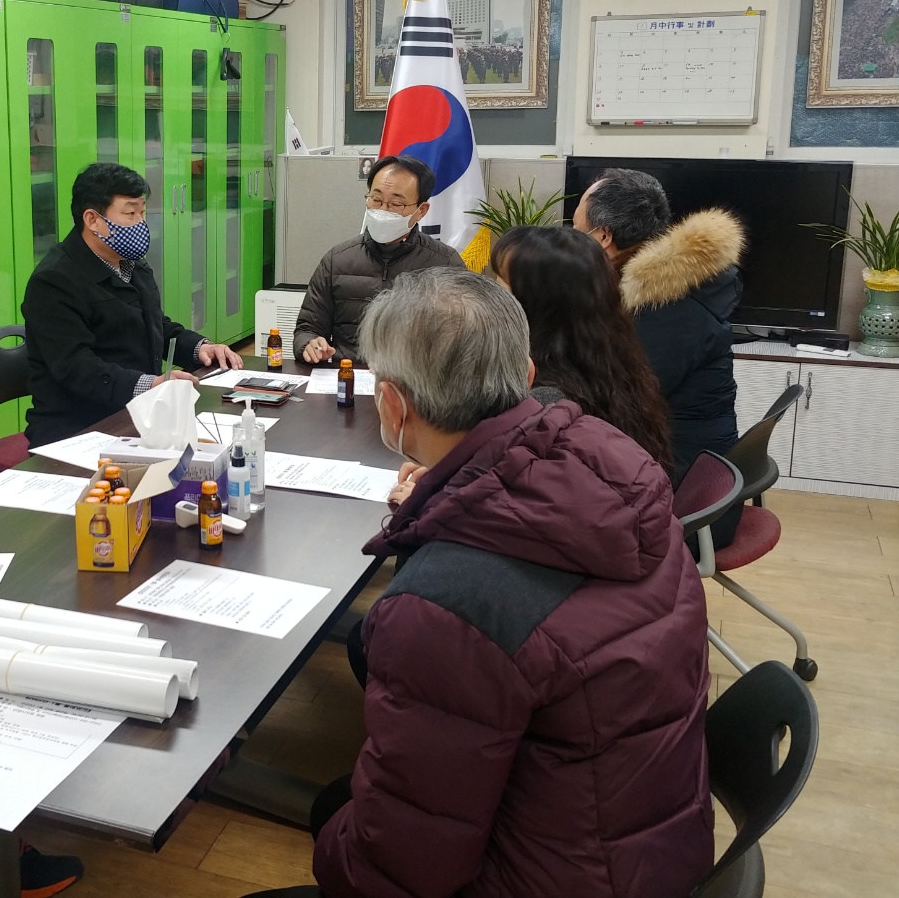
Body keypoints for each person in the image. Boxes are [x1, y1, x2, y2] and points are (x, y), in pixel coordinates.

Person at [261, 269, 714, 898]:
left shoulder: (445, 608)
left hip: (561, 876)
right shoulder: (612, 464)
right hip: (649, 836)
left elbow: (398, 871)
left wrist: (336, 847)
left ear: (391, 406)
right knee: (340, 802)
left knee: (334, 824)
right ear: (525, 376)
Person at [22, 162, 242, 447]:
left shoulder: (131, 263)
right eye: (130, 213)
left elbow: (154, 324)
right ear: (92, 219)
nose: (140, 222)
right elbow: (77, 367)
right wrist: (150, 385)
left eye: (142, 212)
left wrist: (200, 348)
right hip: (79, 427)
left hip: (139, 413)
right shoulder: (54, 281)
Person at [573, 168, 745, 480]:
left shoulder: (663, 307)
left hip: (678, 475)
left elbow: (615, 400)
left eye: (576, 231)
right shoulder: (669, 285)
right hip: (675, 455)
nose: (571, 241)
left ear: (603, 237)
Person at [491, 225, 674, 469]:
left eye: (501, 286)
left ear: (539, 306)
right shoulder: (614, 363)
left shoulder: (543, 404)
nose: (491, 297)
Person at [292, 155, 463, 365]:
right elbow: (307, 328)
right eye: (376, 199)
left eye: (396, 204)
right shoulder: (338, 260)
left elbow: (462, 341)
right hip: (348, 374)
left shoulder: (445, 264)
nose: (382, 210)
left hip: (413, 379)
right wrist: (309, 344)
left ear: (421, 211)